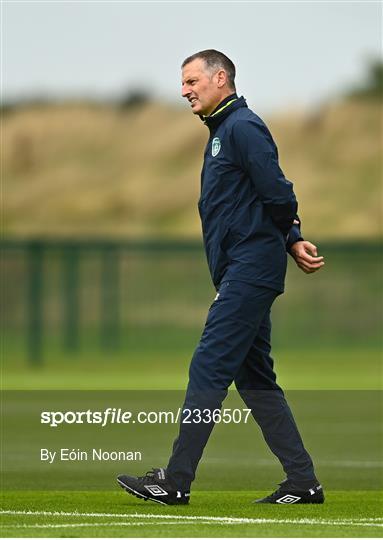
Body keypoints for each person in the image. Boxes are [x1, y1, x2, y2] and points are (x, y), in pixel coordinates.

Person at [118, 49, 325, 506]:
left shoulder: (242, 127)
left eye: (192, 81)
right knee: (255, 379)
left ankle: (175, 480)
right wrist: (290, 239)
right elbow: (259, 196)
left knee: (209, 365)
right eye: (183, 83)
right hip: (242, 268)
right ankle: (302, 482)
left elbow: (278, 191)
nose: (184, 90)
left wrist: (290, 234)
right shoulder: (222, 131)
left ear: (220, 78)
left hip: (249, 270)